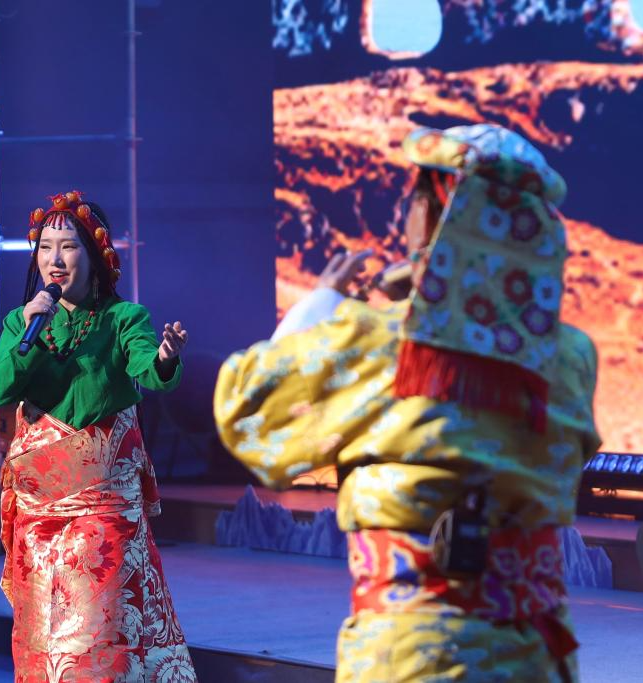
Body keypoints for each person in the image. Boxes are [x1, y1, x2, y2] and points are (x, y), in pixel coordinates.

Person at [214, 124, 601, 681]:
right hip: (535, 658)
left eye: (418, 196)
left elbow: (245, 410)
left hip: (415, 658)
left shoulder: (377, 342)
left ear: (442, 214)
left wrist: (325, 304)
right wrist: (429, 297)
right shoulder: (572, 359)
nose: (406, 213)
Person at [0, 190, 197, 683]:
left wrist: (165, 357)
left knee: (95, 644)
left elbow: (148, 367)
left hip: (101, 512)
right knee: (43, 641)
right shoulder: (22, 322)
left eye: (68, 246)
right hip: (38, 515)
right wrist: (32, 331)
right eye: (45, 247)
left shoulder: (124, 319)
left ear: (95, 255)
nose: (54, 259)